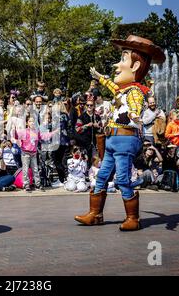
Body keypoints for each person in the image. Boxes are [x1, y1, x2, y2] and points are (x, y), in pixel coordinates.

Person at [75, 35, 166, 231]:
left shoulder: (135, 92)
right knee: (102, 176)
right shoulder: (124, 90)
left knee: (122, 179)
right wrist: (99, 78)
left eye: (123, 59)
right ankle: (95, 214)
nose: (117, 65)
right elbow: (113, 87)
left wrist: (134, 114)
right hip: (112, 139)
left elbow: (135, 104)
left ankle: (133, 218)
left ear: (134, 66)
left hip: (125, 139)